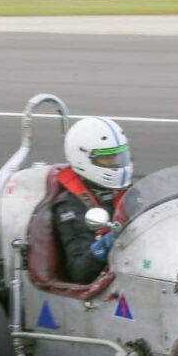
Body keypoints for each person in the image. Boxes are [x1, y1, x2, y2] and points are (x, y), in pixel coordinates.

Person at [52, 117, 134, 284]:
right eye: (107, 158)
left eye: (119, 156)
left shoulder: (126, 192)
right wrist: (109, 241)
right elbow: (79, 272)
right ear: (83, 159)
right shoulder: (69, 207)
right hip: (103, 291)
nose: (116, 163)